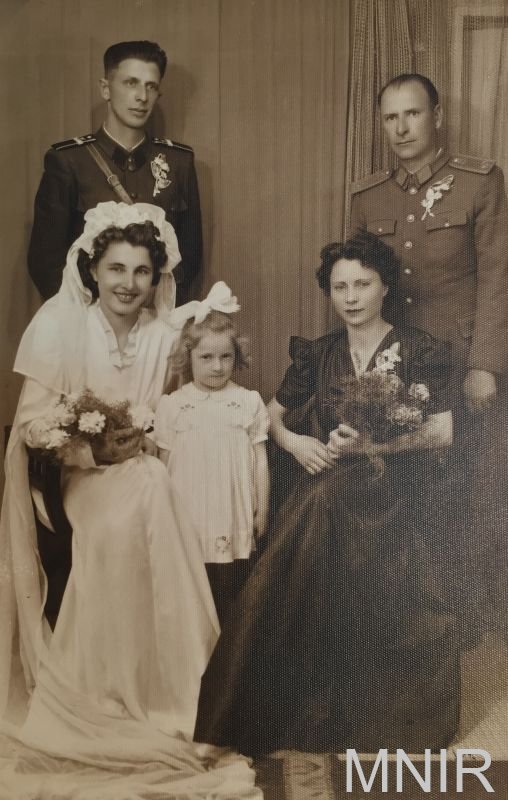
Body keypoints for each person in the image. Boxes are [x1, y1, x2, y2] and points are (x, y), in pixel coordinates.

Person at [0, 202, 259, 798]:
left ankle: (171, 691)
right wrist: (86, 446)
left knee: (154, 487)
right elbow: (32, 427)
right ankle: (105, 688)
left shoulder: (164, 335)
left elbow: (191, 400)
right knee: (125, 514)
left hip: (143, 469)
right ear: (93, 270)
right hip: (76, 477)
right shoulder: (58, 328)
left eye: (142, 271)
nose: (128, 283)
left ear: (155, 277)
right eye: (116, 268)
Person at [195, 232, 459, 756]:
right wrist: (298, 444)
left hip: (398, 496)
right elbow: (270, 416)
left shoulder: (419, 349)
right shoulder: (319, 354)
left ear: (386, 286)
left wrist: (375, 445)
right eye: (340, 287)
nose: (351, 297)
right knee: (321, 504)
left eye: (363, 284)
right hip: (330, 490)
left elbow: (446, 430)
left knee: (324, 506)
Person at [350, 73, 508, 638]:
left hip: (463, 365)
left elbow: (498, 279)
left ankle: (475, 619)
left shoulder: (480, 182)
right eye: (391, 117)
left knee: (473, 489)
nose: (401, 128)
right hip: (398, 369)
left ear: (436, 116)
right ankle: (417, 617)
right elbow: (358, 283)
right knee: (404, 491)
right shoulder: (368, 196)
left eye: (412, 114)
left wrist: (485, 363)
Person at [28, 40, 202, 305]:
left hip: (155, 319)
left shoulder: (178, 162)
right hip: (86, 318)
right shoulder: (68, 161)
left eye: (151, 86)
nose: (142, 96)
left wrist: (156, 308)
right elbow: (45, 262)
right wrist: (86, 316)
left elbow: (190, 256)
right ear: (105, 89)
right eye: (131, 83)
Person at [155, 286, 270, 624]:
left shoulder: (247, 401)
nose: (218, 367)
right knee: (188, 591)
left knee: (230, 593)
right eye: (206, 357)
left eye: (226, 357)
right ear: (188, 358)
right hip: (188, 512)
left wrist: (262, 509)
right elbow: (163, 466)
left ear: (237, 356)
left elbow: (260, 462)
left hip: (231, 511)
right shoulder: (174, 405)